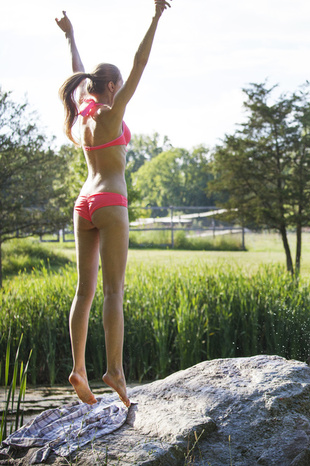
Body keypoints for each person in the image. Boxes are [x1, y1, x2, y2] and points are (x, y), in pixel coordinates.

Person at [56, 1, 171, 407]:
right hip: (109, 201)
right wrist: (155, 18)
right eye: (118, 85)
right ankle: (114, 370)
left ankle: (78, 368)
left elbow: (78, 74)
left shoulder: (81, 113)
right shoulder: (110, 111)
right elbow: (140, 64)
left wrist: (71, 35)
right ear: (110, 88)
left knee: (83, 291)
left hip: (82, 204)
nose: (122, 89)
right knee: (113, 291)